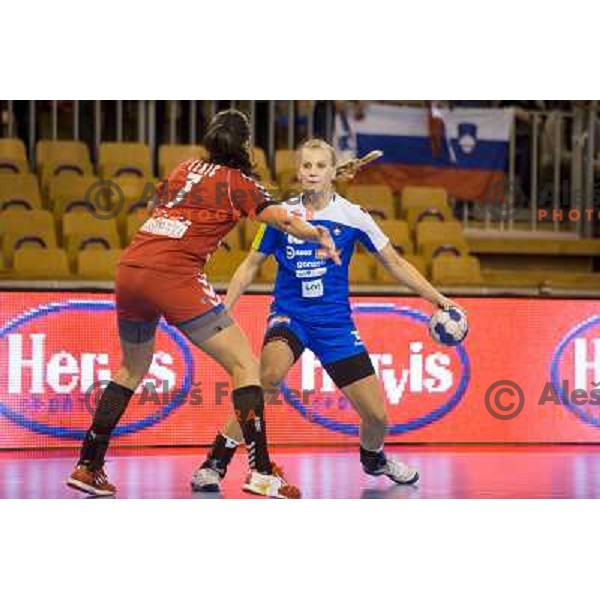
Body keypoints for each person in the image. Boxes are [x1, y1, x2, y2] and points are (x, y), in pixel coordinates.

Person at [66, 111, 340, 498]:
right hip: (174, 276)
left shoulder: (183, 169)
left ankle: (88, 465)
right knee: (246, 366)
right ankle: (261, 471)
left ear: (210, 143)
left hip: (131, 268)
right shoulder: (241, 183)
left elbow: (160, 213)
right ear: (245, 147)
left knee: (131, 368)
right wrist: (319, 233)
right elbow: (285, 221)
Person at [192, 138, 466, 493]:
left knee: (377, 417)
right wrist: (227, 306)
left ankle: (374, 458)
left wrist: (439, 300)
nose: (312, 172)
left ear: (332, 173)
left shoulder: (353, 216)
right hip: (290, 317)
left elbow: (395, 263)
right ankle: (215, 463)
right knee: (268, 376)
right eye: (306, 166)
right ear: (298, 170)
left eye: (320, 166)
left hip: (336, 326)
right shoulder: (282, 214)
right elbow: (250, 265)